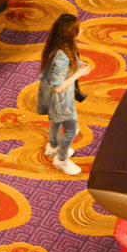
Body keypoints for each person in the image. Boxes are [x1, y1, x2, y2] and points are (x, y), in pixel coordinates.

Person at [40, 14, 90, 176]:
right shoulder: (61, 58)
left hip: (53, 99)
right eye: (77, 29)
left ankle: (52, 147)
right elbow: (57, 87)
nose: (80, 30)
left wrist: (76, 64)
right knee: (71, 129)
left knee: (56, 122)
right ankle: (61, 159)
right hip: (61, 100)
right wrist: (79, 73)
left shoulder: (58, 46)